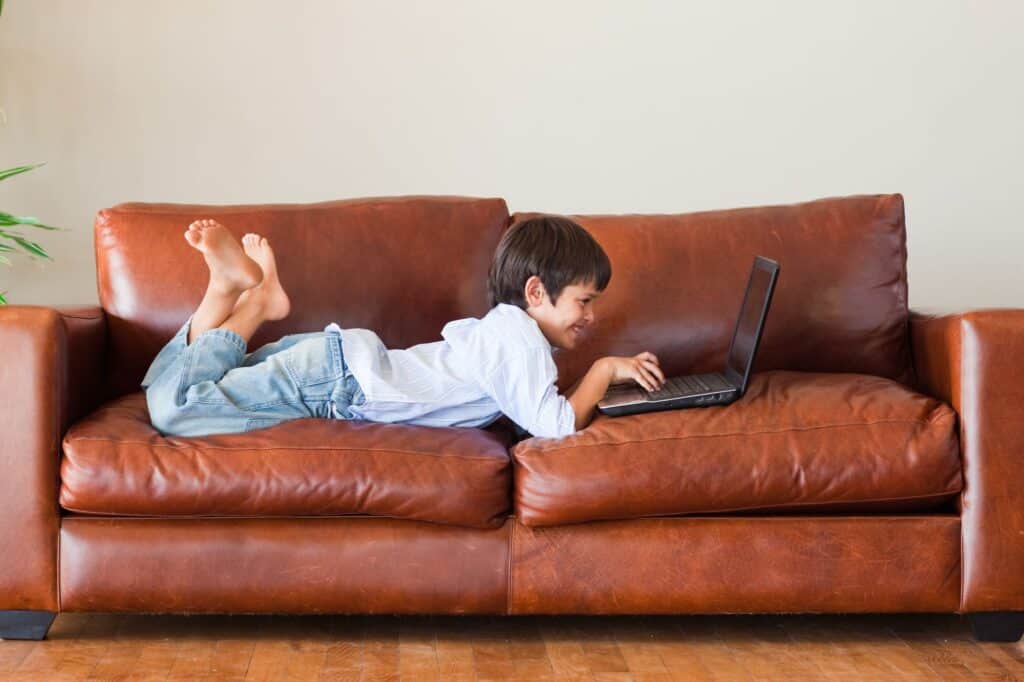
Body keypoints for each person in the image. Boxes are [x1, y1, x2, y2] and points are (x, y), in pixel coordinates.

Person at [142, 215, 666, 438]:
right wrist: (604, 369)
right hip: (335, 380)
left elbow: (534, 405)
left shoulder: (509, 332)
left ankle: (249, 300)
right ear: (536, 293)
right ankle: (239, 297)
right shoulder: (521, 345)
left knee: (182, 385)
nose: (591, 316)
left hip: (334, 363)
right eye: (584, 301)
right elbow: (554, 425)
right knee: (178, 407)